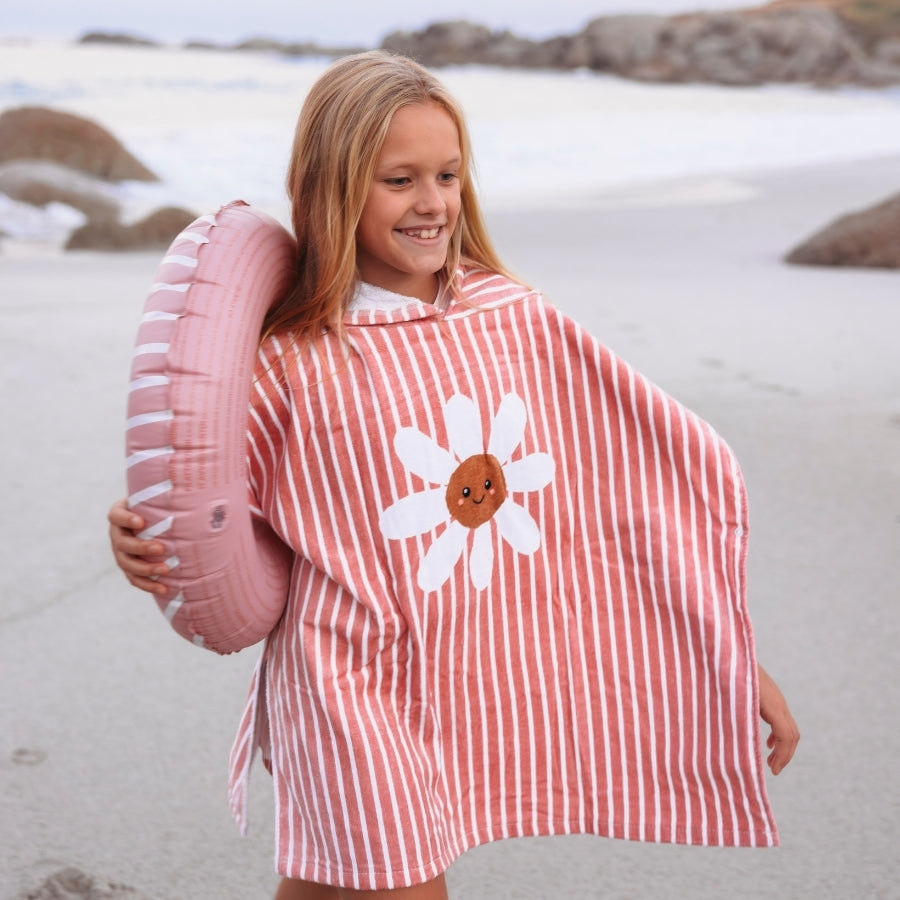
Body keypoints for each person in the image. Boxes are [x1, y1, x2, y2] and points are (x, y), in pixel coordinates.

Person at [108, 50, 799, 900]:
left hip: (451, 682)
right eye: (399, 180)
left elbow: (616, 500)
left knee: (329, 886)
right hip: (345, 686)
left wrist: (726, 660)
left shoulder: (510, 320)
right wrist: (147, 537)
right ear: (334, 186)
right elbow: (213, 504)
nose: (433, 203)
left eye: (448, 174)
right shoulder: (288, 362)